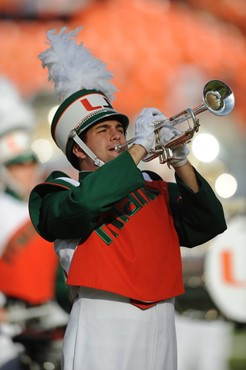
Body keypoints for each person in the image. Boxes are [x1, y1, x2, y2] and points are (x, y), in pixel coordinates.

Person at [28, 27, 227, 370]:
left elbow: (207, 223)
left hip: (163, 318)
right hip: (103, 317)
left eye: (120, 128)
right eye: (104, 130)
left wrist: (180, 161)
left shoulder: (150, 182)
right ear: (79, 147)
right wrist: (136, 150)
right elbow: (84, 206)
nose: (118, 135)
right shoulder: (60, 188)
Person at [0, 76, 69, 369]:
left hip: (49, 319)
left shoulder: (49, 202)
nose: (26, 171)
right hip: (7, 329)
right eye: (17, 165)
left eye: (30, 163)